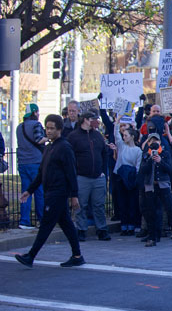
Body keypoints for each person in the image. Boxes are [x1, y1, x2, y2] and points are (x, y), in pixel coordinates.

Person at [15, 115, 85, 268]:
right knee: (66, 224)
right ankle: (77, 255)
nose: (49, 131)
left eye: (52, 128)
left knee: (46, 225)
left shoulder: (64, 147)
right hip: (50, 191)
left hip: (58, 193)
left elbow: (71, 173)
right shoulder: (48, 147)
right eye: (47, 128)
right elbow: (41, 173)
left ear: (59, 129)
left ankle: (31, 256)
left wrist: (74, 195)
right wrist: (29, 190)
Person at [67, 110, 111, 241]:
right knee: (81, 205)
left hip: (98, 176)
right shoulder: (73, 137)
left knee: (99, 205)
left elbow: (104, 153)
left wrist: (103, 171)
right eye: (93, 119)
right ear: (86, 120)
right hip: (81, 177)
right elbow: (70, 157)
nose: (96, 121)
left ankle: (101, 229)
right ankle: (81, 229)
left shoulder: (97, 135)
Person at [139, 132, 172, 247]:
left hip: (163, 185)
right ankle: (152, 237)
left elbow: (170, 169)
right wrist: (150, 160)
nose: (154, 143)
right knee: (151, 212)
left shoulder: (165, 153)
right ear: (148, 143)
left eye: (156, 141)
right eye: (151, 141)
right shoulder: (145, 155)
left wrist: (160, 161)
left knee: (171, 211)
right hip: (150, 186)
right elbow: (142, 170)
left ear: (159, 142)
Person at [16, 103, 47, 229]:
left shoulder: (19, 127)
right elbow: (38, 140)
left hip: (22, 162)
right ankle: (42, 219)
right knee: (39, 192)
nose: (38, 115)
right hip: (35, 162)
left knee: (26, 192)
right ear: (34, 113)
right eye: (38, 112)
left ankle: (24, 220)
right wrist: (48, 138)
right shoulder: (36, 125)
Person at [112, 117, 142, 236]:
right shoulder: (121, 146)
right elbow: (116, 135)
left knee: (131, 202)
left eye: (126, 135)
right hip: (120, 176)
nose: (124, 137)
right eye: (123, 135)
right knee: (122, 202)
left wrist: (135, 179)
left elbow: (138, 166)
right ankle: (124, 225)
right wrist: (117, 121)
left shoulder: (137, 150)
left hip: (131, 178)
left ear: (132, 137)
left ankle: (132, 225)